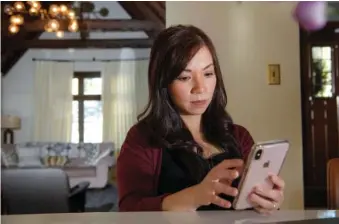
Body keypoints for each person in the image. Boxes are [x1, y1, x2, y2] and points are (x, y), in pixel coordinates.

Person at [117, 25, 285, 213]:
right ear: (163, 83)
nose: (200, 88)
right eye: (184, 77)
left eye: (208, 74)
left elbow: (254, 207)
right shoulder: (142, 138)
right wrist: (194, 196)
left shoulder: (239, 136)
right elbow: (129, 210)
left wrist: (268, 202)